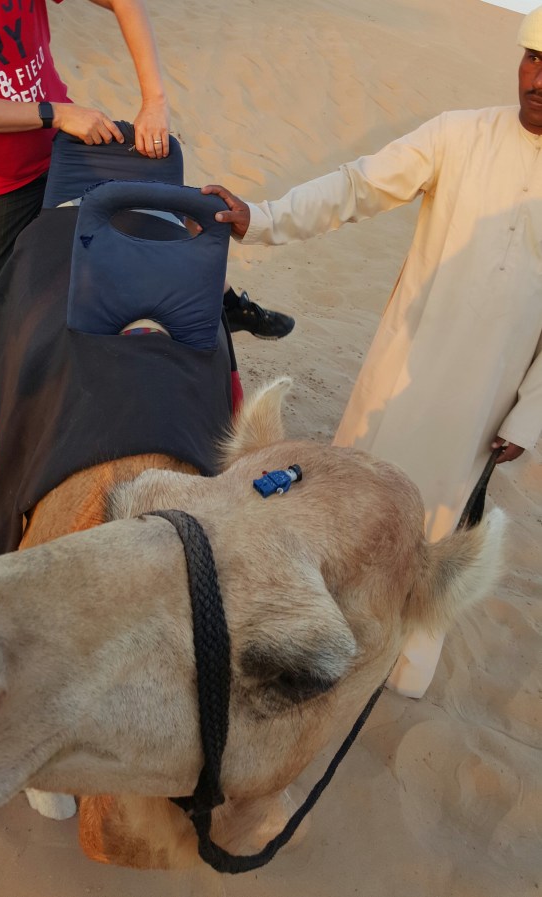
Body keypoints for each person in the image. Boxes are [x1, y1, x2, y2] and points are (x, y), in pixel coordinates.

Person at [201, 6, 542, 697]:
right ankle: (315, 629)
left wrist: (528, 417)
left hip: (485, 403)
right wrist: (261, 218)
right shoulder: (459, 134)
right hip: (403, 371)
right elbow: (356, 187)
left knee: (437, 528)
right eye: (533, 58)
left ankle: (398, 667)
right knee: (349, 504)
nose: (537, 79)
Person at [0, 0, 294, 340]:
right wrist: (57, 114)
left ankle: (225, 301)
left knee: (159, 214)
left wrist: (155, 101)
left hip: (65, 146)